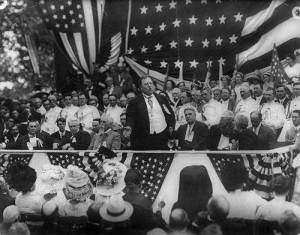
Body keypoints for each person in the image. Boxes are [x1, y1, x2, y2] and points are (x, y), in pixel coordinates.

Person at [126, 76, 175, 150]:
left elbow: (171, 115)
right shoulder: (135, 102)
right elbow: (130, 117)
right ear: (141, 88)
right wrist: (129, 127)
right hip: (144, 139)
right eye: (146, 84)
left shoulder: (162, 98)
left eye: (150, 83)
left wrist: (171, 128)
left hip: (162, 136)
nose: (149, 86)